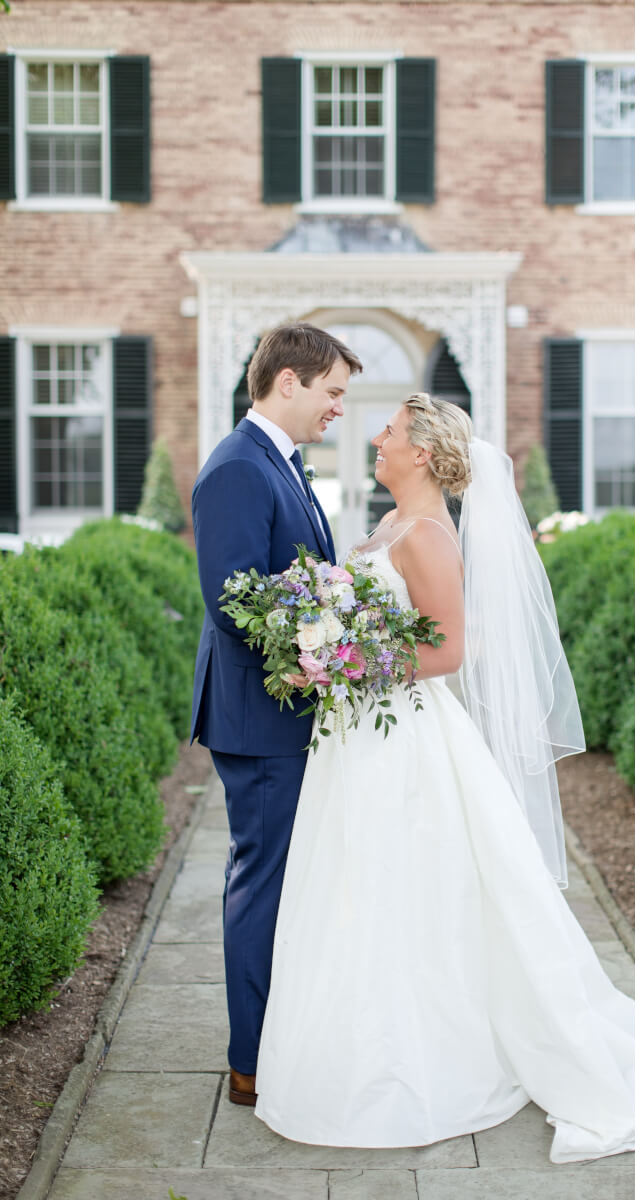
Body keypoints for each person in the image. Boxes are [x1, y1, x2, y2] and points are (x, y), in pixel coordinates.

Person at [252, 391, 635, 1163]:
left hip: (402, 741)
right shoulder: (390, 525)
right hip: (357, 736)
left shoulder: (428, 535)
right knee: (353, 887)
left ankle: (424, 1059)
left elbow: (452, 651)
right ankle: (350, 1051)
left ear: (421, 453)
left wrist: (341, 662)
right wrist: (332, 650)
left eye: (389, 433)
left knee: (404, 889)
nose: (376, 440)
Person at [190, 322, 362, 1106]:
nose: (337, 408)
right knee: (263, 884)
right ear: (287, 381)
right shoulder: (236, 468)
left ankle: (282, 1038)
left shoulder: (284, 465)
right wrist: (322, 644)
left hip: (290, 711)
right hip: (261, 719)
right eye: (331, 392)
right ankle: (251, 1062)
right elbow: (233, 601)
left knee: (290, 883)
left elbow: (299, 579)